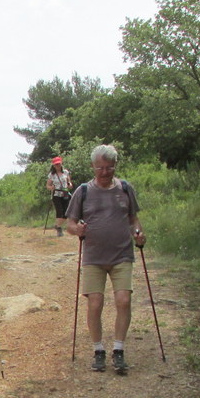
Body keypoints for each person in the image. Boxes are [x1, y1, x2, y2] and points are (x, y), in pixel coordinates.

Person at [66, 144, 146, 375]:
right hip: (94, 257)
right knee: (95, 303)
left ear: (114, 166)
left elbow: (133, 219)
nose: (104, 172)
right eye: (100, 167)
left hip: (122, 254)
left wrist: (139, 234)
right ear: (93, 166)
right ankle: (98, 350)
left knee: (123, 300)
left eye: (109, 167)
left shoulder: (125, 189)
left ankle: (118, 350)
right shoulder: (83, 191)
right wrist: (77, 229)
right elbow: (70, 223)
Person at [46, 156, 74, 237]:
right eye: (56, 164)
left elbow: (69, 182)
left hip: (65, 193)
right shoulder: (52, 174)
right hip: (56, 194)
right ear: (53, 166)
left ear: (61, 163)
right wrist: (51, 188)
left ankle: (57, 226)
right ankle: (59, 229)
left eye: (58, 164)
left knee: (66, 213)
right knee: (60, 211)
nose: (57, 165)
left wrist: (70, 185)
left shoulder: (65, 172)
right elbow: (48, 185)